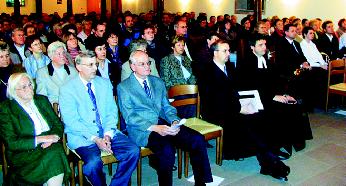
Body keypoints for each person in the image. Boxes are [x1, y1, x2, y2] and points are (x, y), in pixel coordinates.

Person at [198, 40, 290, 181]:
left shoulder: (228, 67)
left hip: (233, 107)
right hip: (217, 112)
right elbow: (214, 100)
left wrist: (249, 102)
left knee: (261, 114)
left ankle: (268, 154)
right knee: (247, 122)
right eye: (225, 51)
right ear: (215, 53)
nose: (229, 54)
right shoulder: (207, 71)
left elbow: (238, 89)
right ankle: (270, 160)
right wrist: (240, 109)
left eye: (229, 50)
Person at [117, 50, 213, 186]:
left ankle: (201, 182)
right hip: (143, 130)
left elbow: (166, 107)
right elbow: (129, 117)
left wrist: (174, 120)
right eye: (142, 64)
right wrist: (156, 128)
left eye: (148, 63)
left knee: (197, 139)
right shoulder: (124, 87)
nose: (147, 66)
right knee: (167, 150)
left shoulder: (157, 82)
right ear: (132, 67)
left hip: (165, 123)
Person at [59, 51, 139, 186]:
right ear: (79, 67)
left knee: (132, 151)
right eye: (90, 65)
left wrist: (107, 135)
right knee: (92, 164)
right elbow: (71, 121)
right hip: (83, 136)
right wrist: (95, 139)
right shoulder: (67, 89)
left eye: (95, 64)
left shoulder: (104, 83)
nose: (95, 68)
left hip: (107, 131)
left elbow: (112, 112)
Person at [237, 35, 313, 157]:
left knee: (295, 103)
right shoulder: (247, 62)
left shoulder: (265, 60)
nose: (264, 47)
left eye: (265, 45)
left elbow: (274, 81)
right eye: (260, 45)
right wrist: (273, 96)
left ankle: (293, 141)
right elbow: (251, 86)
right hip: (256, 98)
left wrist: (283, 94)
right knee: (281, 108)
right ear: (252, 47)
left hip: (267, 95)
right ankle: (275, 146)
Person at [0, 72, 71, 185]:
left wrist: (54, 137)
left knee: (54, 152)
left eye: (30, 84)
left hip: (49, 145)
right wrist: (41, 139)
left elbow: (57, 124)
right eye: (24, 87)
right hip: (24, 153)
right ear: (14, 91)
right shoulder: (6, 109)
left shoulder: (41, 100)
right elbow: (11, 142)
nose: (29, 89)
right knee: (55, 155)